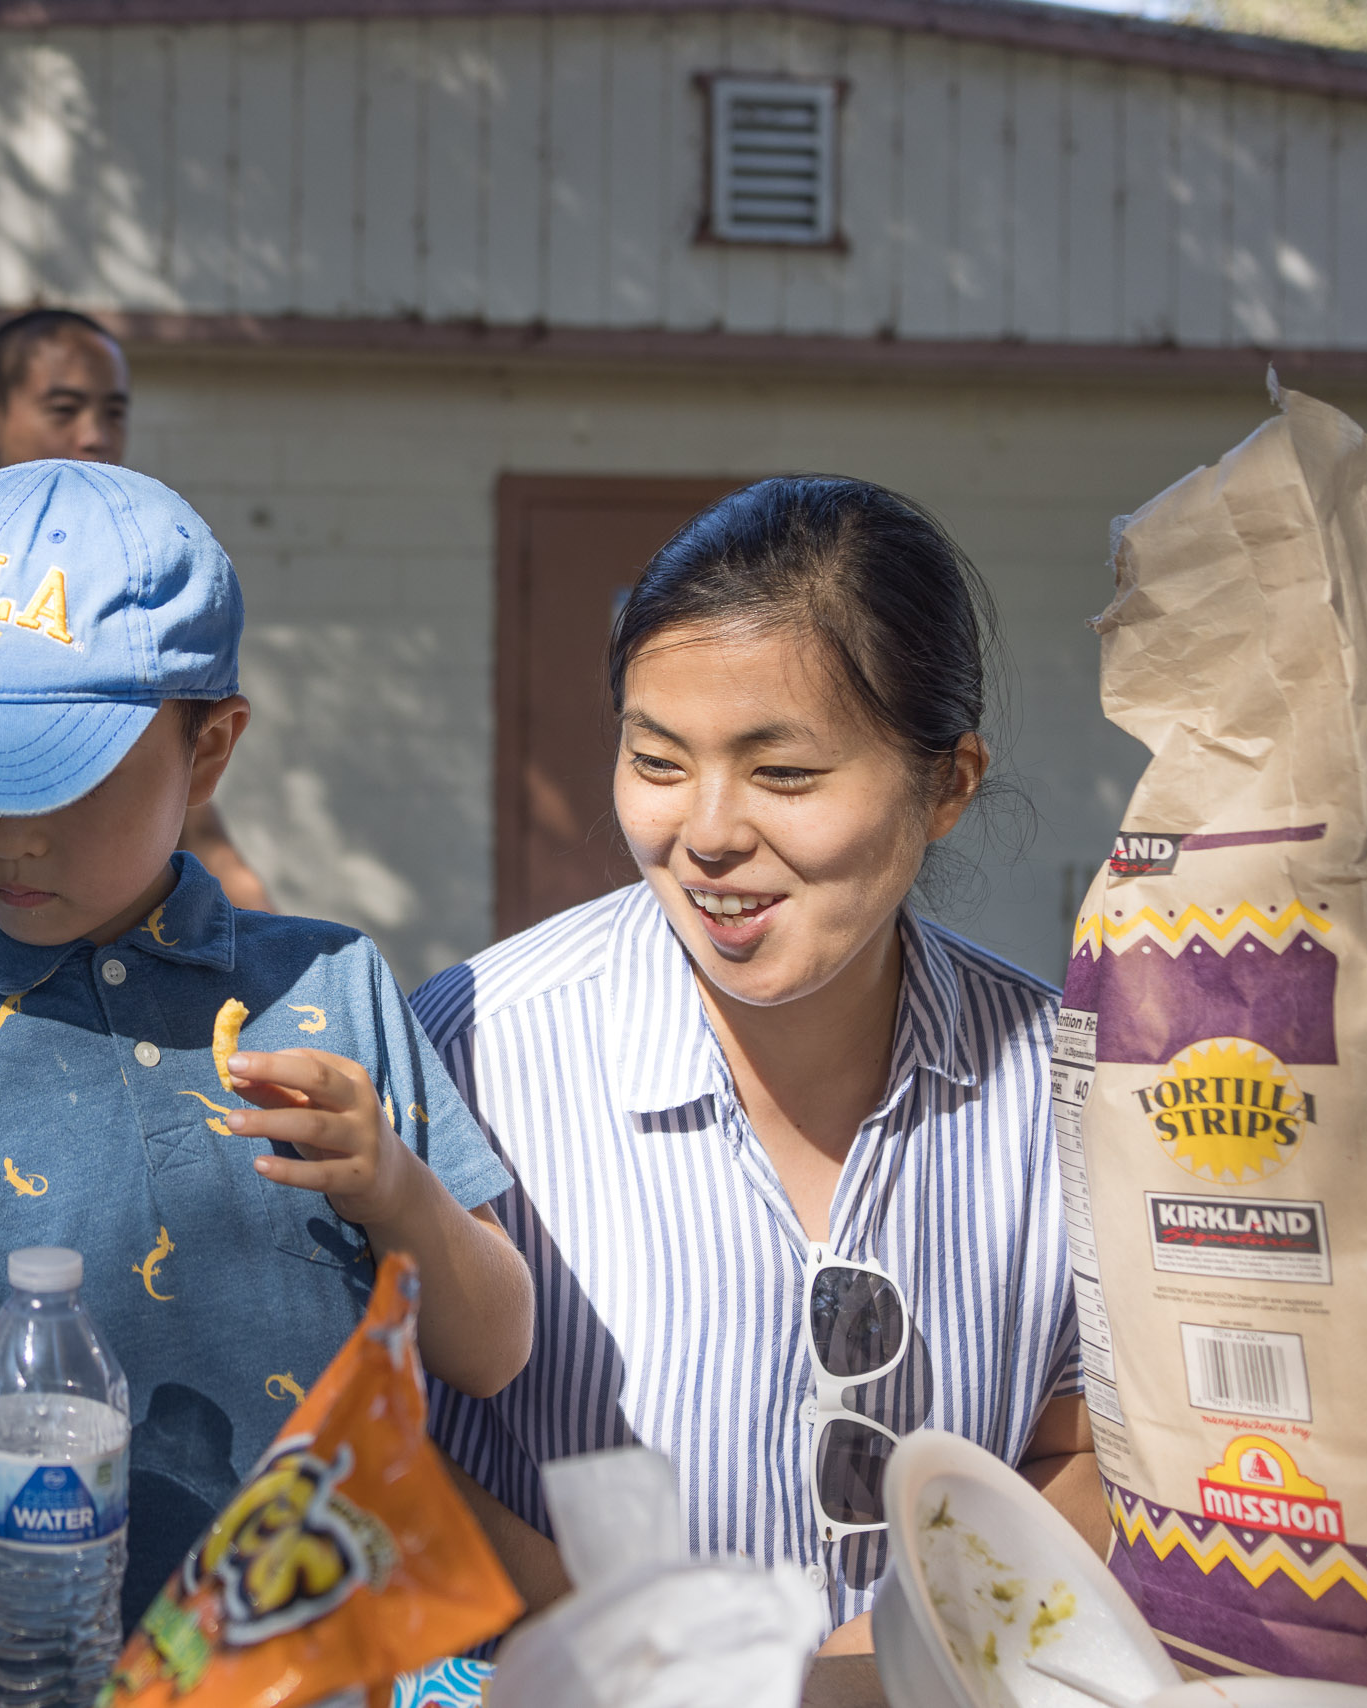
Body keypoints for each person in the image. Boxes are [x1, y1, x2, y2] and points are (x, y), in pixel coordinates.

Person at [0, 458, 532, 1700]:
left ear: (211, 748)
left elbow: (493, 1348)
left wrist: (397, 1190)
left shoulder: (333, 989)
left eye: (63, 776)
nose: (10, 835)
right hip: (31, 1669)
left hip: (338, 1660)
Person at [413, 478, 1094, 1650]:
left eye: (782, 774)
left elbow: (1080, 1450)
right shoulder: (472, 1049)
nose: (709, 832)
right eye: (658, 759)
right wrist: (642, 1652)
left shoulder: (1056, 1087)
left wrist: (890, 1657)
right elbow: (359, 1430)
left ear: (947, 785)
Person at [0, 308, 272, 936]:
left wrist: (239, 890)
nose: (93, 435)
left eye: (113, 412)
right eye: (63, 409)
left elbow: (173, 753)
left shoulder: (132, 571)